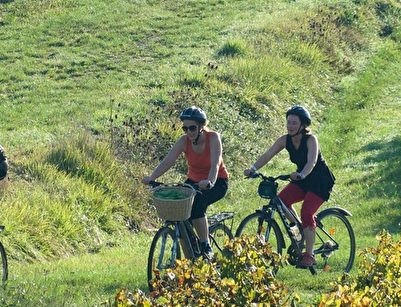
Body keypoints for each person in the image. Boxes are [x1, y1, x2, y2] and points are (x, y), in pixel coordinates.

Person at [243, 104, 336, 268]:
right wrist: (253, 169)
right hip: (303, 178)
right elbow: (267, 155)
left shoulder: (311, 140)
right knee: (281, 201)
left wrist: (301, 174)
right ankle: (302, 228)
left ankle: (309, 255)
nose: (290, 126)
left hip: (319, 179)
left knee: (307, 211)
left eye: (294, 123)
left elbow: (312, 162)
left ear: (303, 125)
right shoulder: (285, 140)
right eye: (288, 123)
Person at [142, 106, 228, 258]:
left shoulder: (213, 138)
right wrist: (152, 177)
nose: (189, 132)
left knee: (196, 206)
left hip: (216, 181)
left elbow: (215, 164)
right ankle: (190, 257)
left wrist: (210, 181)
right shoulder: (184, 141)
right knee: (180, 212)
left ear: (202, 126)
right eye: (185, 128)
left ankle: (205, 244)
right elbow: (168, 161)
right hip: (193, 181)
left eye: (192, 128)